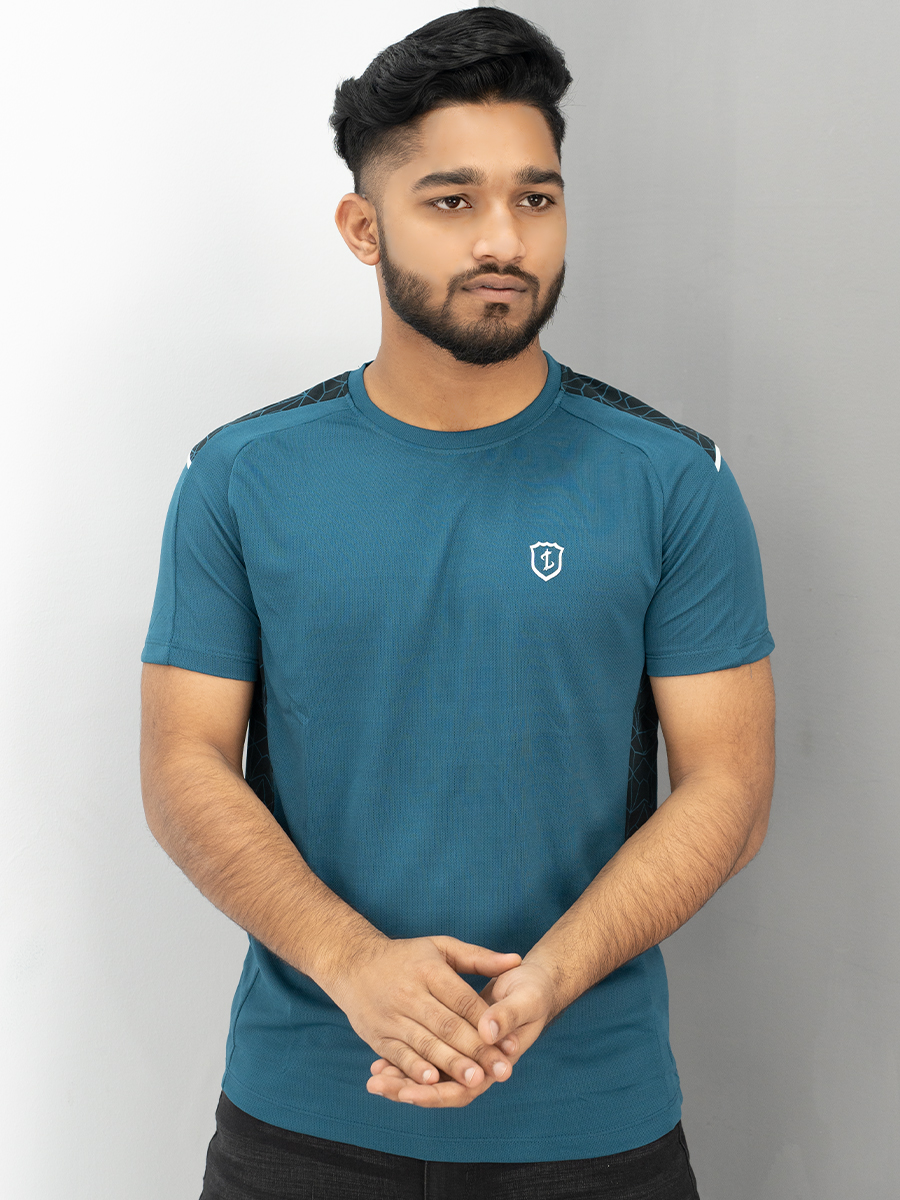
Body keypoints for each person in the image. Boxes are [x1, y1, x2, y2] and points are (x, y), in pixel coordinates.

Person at [139, 7, 775, 1198]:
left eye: (536, 198)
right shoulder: (240, 478)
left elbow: (728, 789)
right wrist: (353, 963)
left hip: (591, 1126)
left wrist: (548, 979)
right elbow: (183, 765)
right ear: (362, 226)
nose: (503, 240)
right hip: (304, 1124)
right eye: (451, 200)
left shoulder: (671, 481)